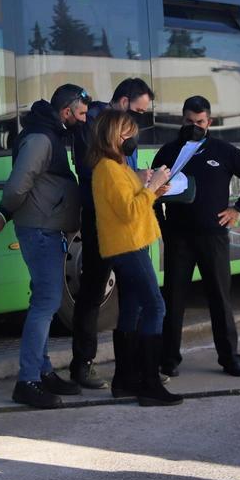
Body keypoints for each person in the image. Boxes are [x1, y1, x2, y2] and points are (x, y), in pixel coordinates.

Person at [0, 84, 89, 409]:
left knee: (46, 299)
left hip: (47, 227)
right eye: (82, 113)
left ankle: (43, 372)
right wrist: (5, 210)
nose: (85, 119)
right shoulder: (41, 139)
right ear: (66, 111)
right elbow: (19, 183)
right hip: (40, 229)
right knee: (47, 301)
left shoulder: (50, 135)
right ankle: (27, 380)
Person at [152, 96, 240, 378]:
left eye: (200, 122)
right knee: (174, 300)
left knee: (219, 299)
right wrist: (164, 228)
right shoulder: (168, 152)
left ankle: (230, 359)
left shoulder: (223, 150)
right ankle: (169, 360)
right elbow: (151, 195)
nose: (195, 126)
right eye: (190, 122)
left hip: (213, 238)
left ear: (210, 122)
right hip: (179, 238)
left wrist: (237, 209)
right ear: (182, 120)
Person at [88, 110, 183, 407]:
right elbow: (129, 212)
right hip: (128, 245)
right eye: (128, 132)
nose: (133, 138)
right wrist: (152, 185)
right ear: (114, 135)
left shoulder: (117, 166)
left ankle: (125, 380)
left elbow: (134, 205)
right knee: (155, 306)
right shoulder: (108, 168)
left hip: (131, 243)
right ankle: (149, 383)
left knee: (131, 309)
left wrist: (152, 189)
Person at [69, 77, 155, 389]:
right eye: (138, 111)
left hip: (124, 218)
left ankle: (131, 369)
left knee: (133, 293)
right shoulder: (96, 126)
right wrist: (138, 178)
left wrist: (145, 182)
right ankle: (83, 365)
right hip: (103, 220)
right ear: (122, 102)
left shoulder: (121, 129)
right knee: (94, 290)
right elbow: (99, 173)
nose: (140, 119)